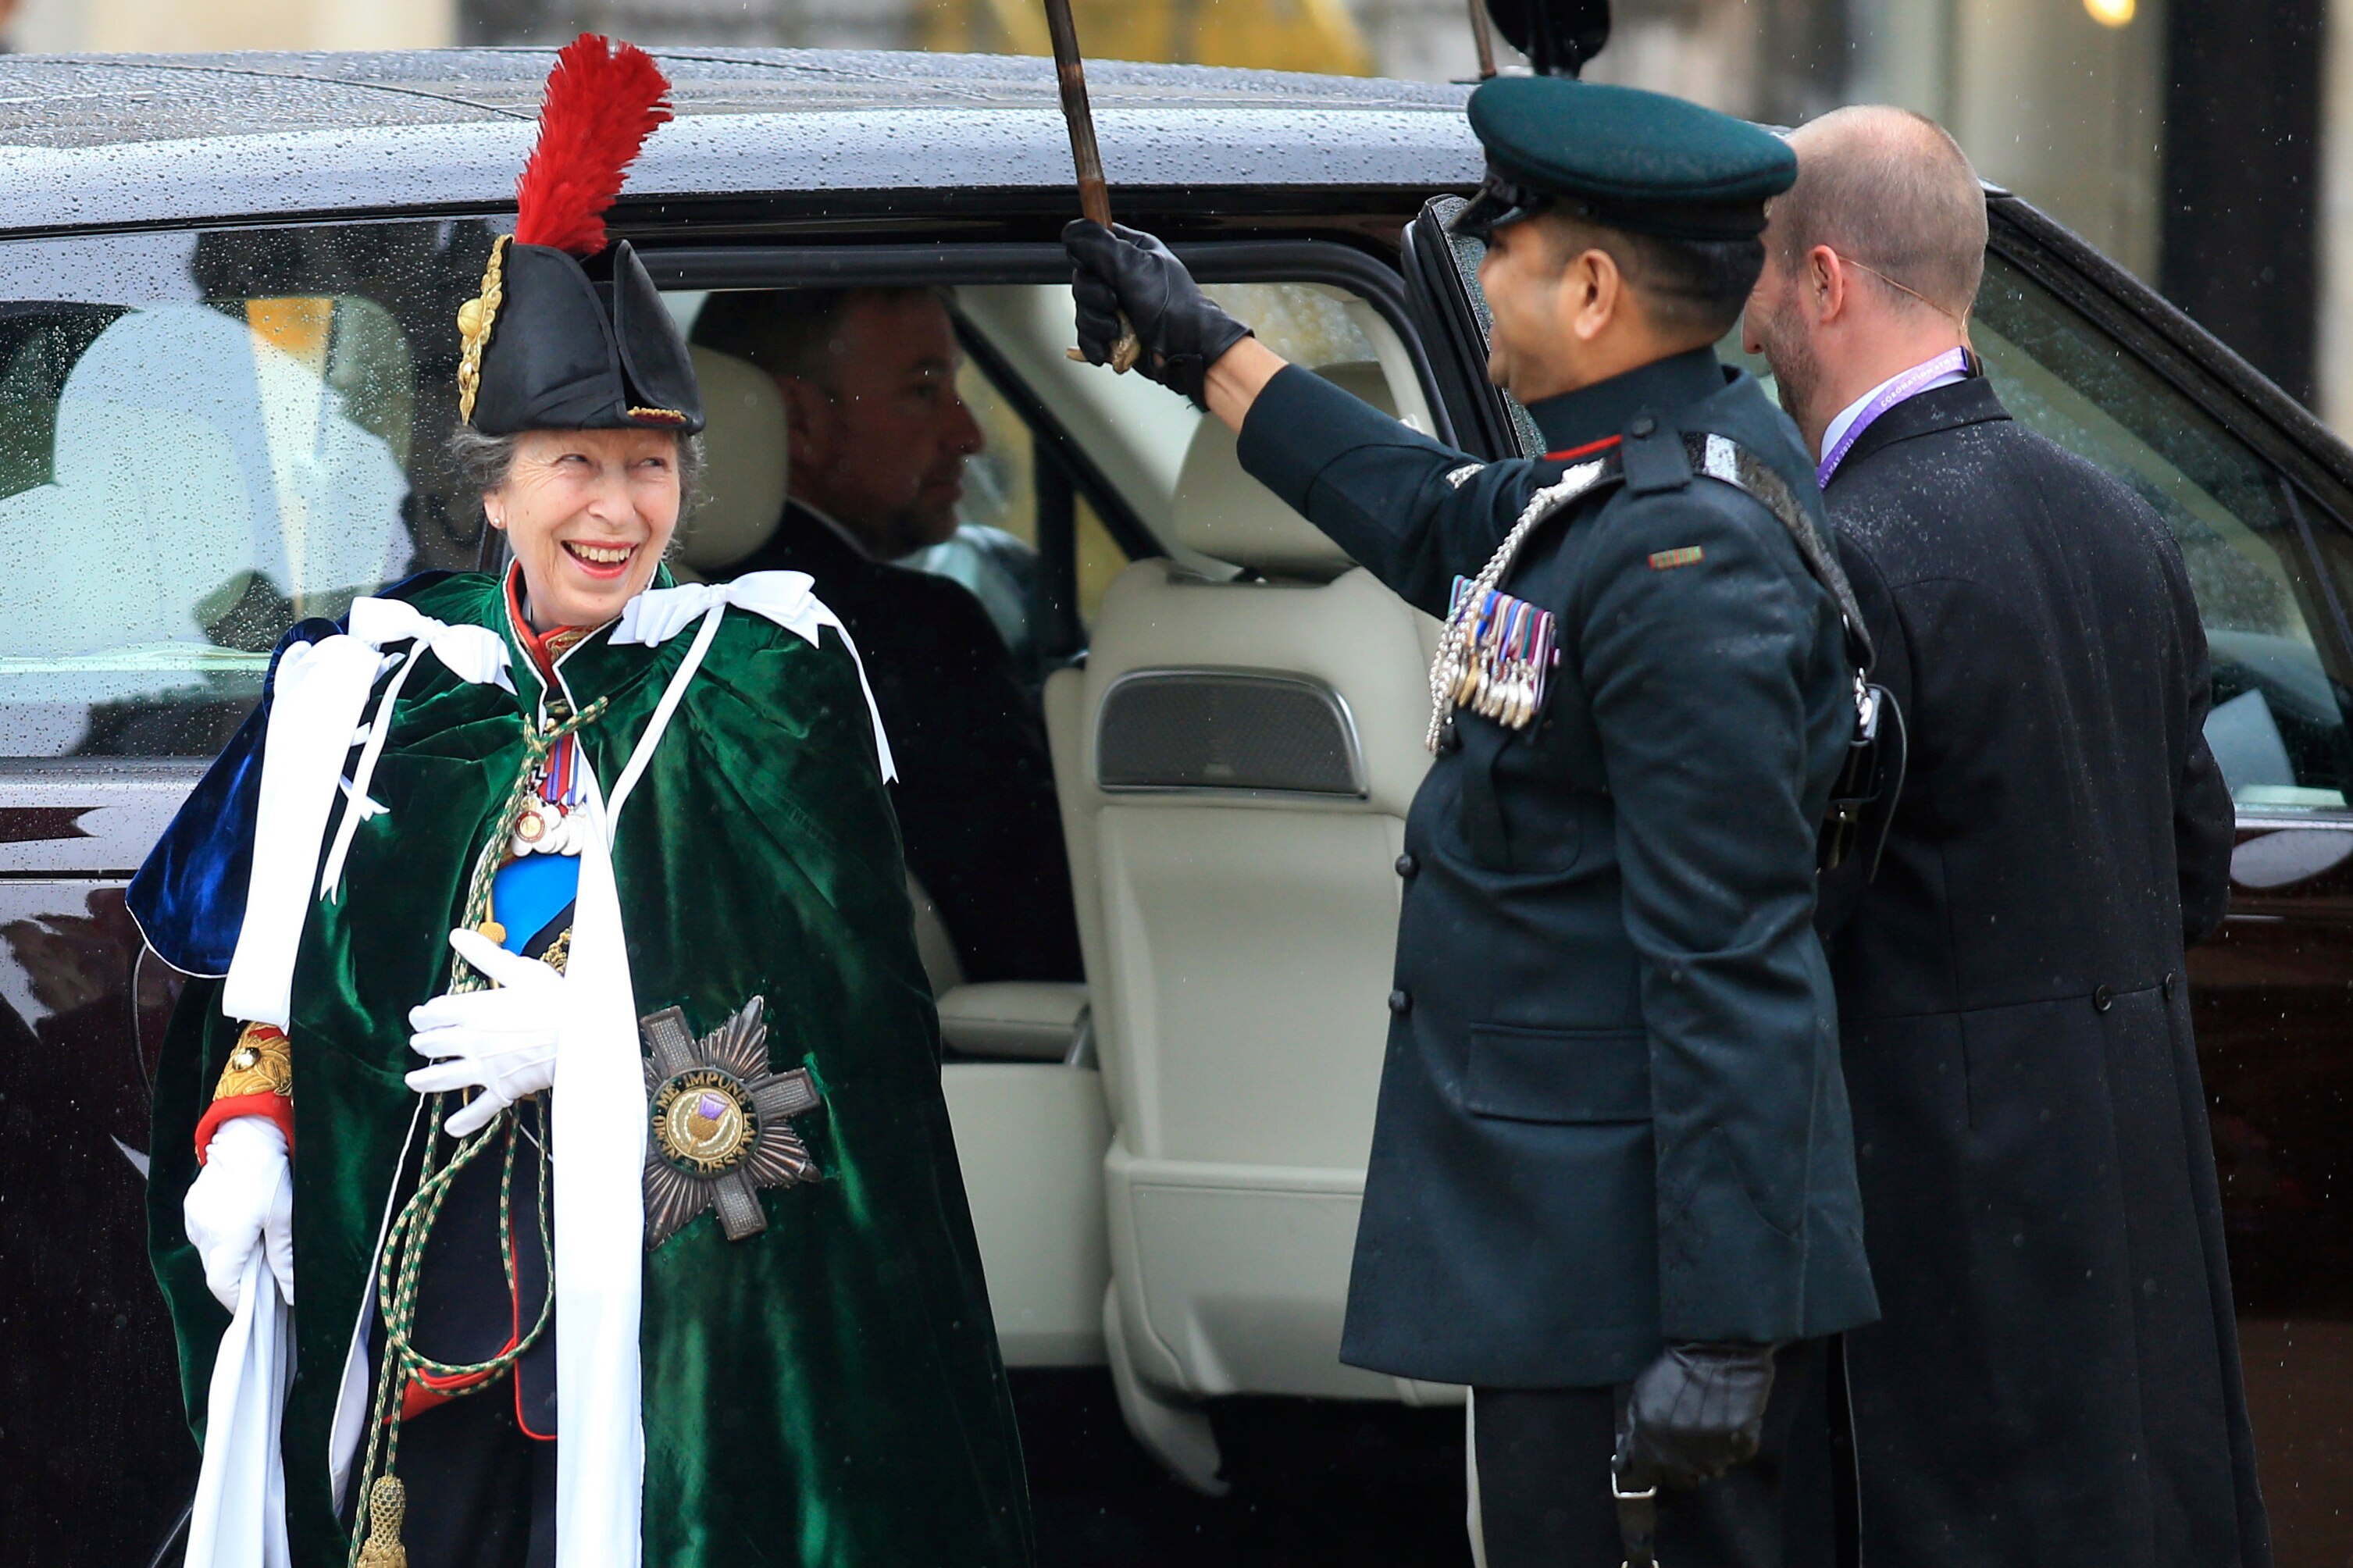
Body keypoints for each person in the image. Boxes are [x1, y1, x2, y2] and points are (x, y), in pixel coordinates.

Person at [134, 38, 1032, 1568]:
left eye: (649, 465)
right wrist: (249, 1134)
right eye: (575, 465)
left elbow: (849, 1067)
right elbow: (273, 990)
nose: (617, 510)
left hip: (673, 1341)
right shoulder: (374, 690)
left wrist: (604, 1049)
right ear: (493, 484)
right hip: (422, 1331)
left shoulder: (767, 689)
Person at [1067, 73, 1878, 1566]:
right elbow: (1428, 510)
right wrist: (1198, 349)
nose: (1482, 278)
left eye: (1501, 250)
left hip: (1633, 1298)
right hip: (1569, 1272)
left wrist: (1724, 1329)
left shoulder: (1686, 567)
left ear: (1591, 290)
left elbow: (1731, 968)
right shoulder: (1613, 501)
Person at [1743, 105, 2268, 1566]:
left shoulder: (1841, 555)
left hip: (1944, 1232)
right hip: (2130, 1227)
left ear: (1824, 280)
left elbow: (1786, 913)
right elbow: (2192, 867)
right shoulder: (2122, 523)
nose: (1752, 315)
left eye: (1765, 269)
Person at [690, 287, 1082, 985]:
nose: (968, 434)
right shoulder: (916, 629)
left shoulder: (640, 626)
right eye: (923, 391)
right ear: (799, 422)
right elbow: (1037, 941)